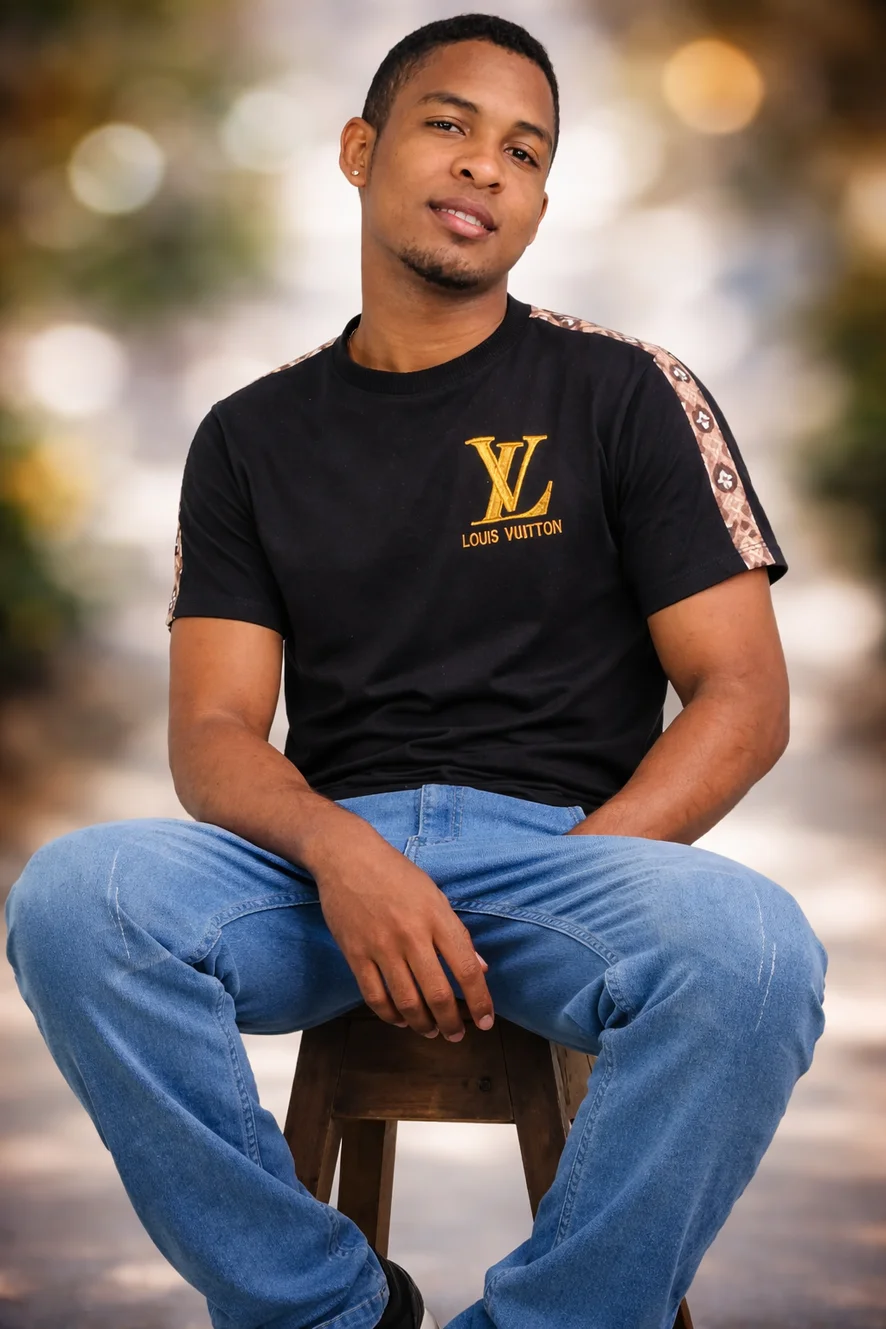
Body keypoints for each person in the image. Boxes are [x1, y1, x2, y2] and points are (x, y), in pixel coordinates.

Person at [5, 13, 827, 1329]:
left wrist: (580, 882)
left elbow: (743, 699)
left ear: (540, 200)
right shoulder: (249, 437)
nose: (485, 165)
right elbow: (213, 731)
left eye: (524, 151)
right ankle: (323, 1309)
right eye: (449, 125)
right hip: (319, 875)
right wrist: (344, 858)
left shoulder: (625, 392)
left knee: (756, 952)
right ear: (360, 150)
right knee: (74, 902)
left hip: (558, 856)